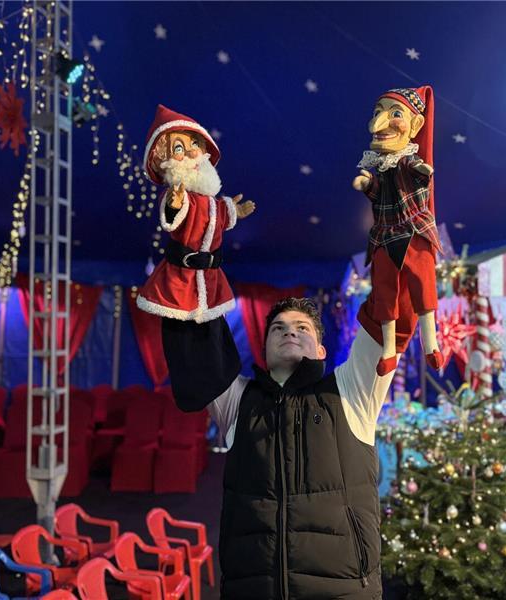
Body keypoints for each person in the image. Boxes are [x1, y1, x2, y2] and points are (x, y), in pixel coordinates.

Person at [161, 297, 394, 599]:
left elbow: (384, 327)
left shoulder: (350, 392)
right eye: (277, 329)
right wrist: (193, 270)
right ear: (265, 350)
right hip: (252, 587)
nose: (290, 332)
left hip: (344, 589)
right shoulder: (238, 400)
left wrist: (396, 259)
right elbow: (196, 340)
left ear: (321, 350)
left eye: (302, 327)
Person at [352, 86, 443, 376]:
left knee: (423, 285)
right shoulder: (381, 165)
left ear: (415, 125)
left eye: (393, 113)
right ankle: (388, 350)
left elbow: (419, 174)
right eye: (378, 112)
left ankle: (431, 344)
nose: (380, 121)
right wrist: (369, 186)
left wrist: (421, 170)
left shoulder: (407, 159)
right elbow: (380, 195)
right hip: (385, 234)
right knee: (385, 291)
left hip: (413, 229)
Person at [136, 104, 255, 323]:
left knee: (214, 339)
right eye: (179, 149)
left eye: (194, 144)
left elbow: (218, 216)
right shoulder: (179, 195)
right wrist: (175, 205)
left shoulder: (211, 201)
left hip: (211, 282)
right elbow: (172, 219)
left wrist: (233, 211)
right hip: (180, 283)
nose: (192, 152)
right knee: (183, 338)